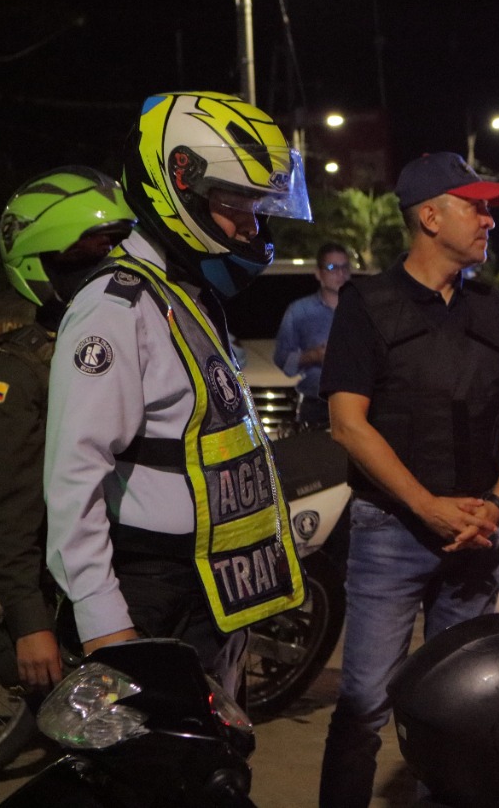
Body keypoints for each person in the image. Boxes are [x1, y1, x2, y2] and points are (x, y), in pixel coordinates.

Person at [44, 91, 314, 697]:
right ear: (180, 187)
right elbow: (73, 476)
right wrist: (103, 620)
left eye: (258, 206)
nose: (252, 225)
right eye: (236, 203)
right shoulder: (116, 307)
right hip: (148, 595)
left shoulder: (183, 291)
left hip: (203, 590)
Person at [317, 151, 499, 807]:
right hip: (391, 532)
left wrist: (496, 506)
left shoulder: (493, 310)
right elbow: (347, 424)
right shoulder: (368, 303)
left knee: (459, 709)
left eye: (490, 209)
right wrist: (426, 505)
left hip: (477, 534)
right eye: (476, 207)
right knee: (364, 703)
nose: (489, 220)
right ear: (429, 216)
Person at [0, 166, 134, 694]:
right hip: (69, 602)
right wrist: (30, 621)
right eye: (87, 251)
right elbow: (7, 509)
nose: (108, 263)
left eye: (114, 246)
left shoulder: (136, 334)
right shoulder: (21, 367)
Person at [272, 241, 352, 428]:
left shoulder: (362, 309)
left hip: (357, 402)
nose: (340, 273)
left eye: (344, 267)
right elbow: (282, 357)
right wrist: (313, 356)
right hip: (316, 403)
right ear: (318, 273)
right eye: (332, 268)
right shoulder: (300, 311)